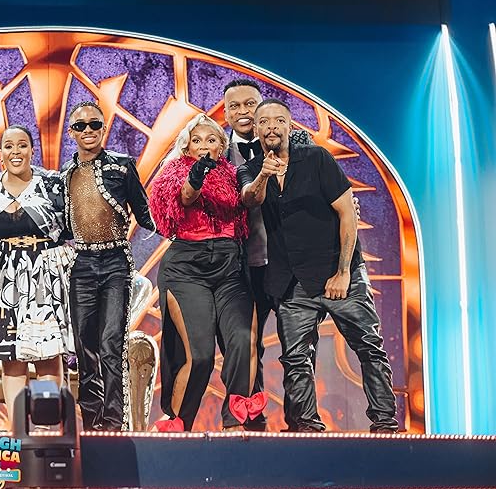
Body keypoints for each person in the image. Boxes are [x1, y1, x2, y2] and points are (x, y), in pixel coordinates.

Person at [239, 99, 399, 432]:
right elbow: (250, 199)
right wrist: (264, 176)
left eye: (278, 120)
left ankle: (385, 424)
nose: (271, 127)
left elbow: (347, 213)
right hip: (291, 281)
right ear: (256, 129)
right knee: (295, 359)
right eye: (264, 122)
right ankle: (306, 429)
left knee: (368, 346)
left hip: (336, 273)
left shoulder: (317, 158)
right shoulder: (252, 169)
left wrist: (343, 272)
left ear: (289, 126)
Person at [149, 113, 260, 432]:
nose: (203, 145)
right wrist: (197, 175)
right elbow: (186, 196)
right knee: (199, 355)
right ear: (187, 146)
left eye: (211, 140)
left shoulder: (234, 174)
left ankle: (235, 421)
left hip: (229, 266)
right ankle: (179, 427)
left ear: (221, 146)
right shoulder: (175, 172)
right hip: (186, 267)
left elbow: (252, 199)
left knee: (243, 340)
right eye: (196, 140)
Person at [60, 101, 156, 431]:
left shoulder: (123, 166)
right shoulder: (65, 174)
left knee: (112, 344)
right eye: (81, 125)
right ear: (71, 133)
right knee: (85, 347)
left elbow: (146, 214)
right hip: (82, 264)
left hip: (116, 262)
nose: (88, 130)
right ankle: (91, 423)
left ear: (104, 128)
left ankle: (114, 423)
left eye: (94, 124)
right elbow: (62, 226)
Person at [0, 125, 74, 429]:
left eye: (22, 145)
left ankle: (48, 429)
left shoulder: (51, 183)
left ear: (32, 150)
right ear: (0, 153)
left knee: (46, 356)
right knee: (11, 357)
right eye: (8, 146)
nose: (15, 152)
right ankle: (17, 430)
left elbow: (69, 227)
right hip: (6, 279)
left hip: (45, 277)